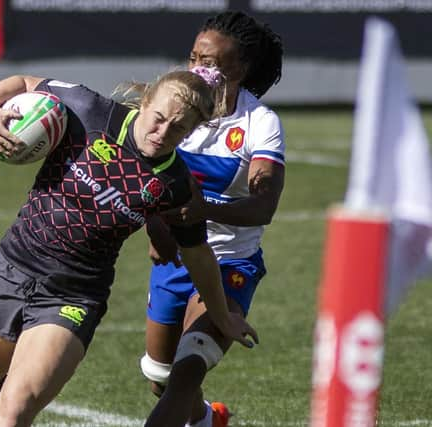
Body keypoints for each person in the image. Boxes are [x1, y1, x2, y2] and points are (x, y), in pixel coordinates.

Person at [0, 70, 258, 427]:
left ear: (191, 132)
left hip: (72, 296)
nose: (162, 134)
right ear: (145, 102)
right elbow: (24, 83)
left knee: (10, 414)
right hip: (9, 269)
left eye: (178, 129)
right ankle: (18, 377)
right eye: (159, 119)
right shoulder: (90, 112)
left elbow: (197, 253)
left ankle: (23, 386)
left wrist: (222, 315)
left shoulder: (175, 184)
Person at [137, 11, 285, 427]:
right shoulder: (172, 109)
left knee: (187, 371)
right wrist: (156, 225)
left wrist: (204, 211)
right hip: (174, 261)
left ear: (242, 68)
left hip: (228, 264)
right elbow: (142, 170)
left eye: (214, 62)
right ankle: (207, 420)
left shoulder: (260, 124)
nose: (200, 70)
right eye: (194, 57)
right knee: (160, 377)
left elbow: (263, 207)